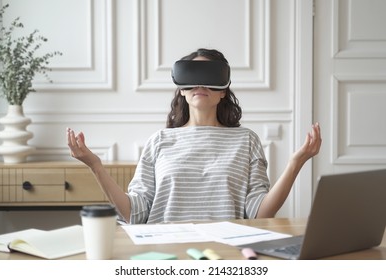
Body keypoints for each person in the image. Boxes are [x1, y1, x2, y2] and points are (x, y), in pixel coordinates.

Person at [67, 48, 321, 224]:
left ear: (223, 91)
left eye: (210, 78)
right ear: (182, 91)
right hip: (165, 250)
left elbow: (259, 214)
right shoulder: (159, 141)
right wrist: (95, 165)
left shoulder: (246, 141)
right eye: (192, 78)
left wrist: (295, 164)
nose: (200, 85)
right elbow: (135, 214)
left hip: (225, 251)